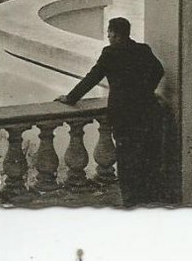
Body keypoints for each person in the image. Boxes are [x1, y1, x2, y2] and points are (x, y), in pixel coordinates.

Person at [56, 16, 165, 205]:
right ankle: (148, 196)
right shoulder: (143, 50)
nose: (108, 35)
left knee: (126, 156)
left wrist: (70, 97)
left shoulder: (110, 53)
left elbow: (92, 78)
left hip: (123, 113)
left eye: (109, 32)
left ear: (115, 34)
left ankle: (131, 199)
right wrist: (146, 90)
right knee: (145, 154)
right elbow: (159, 71)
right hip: (147, 110)